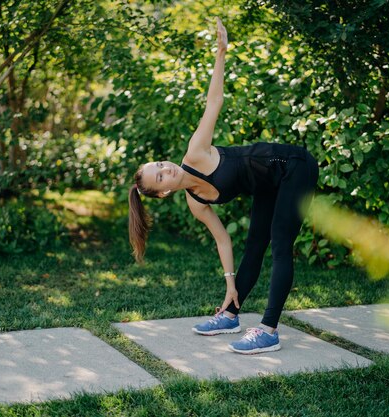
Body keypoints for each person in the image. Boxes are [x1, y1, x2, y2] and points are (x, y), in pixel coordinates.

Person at [128, 18, 319, 354]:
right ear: (164, 192)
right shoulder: (194, 201)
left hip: (294, 166)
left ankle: (269, 329)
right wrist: (230, 284)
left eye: (160, 164)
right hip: (269, 185)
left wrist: (221, 53)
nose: (166, 168)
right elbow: (222, 239)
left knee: (280, 245)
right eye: (160, 176)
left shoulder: (195, 153)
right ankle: (231, 312)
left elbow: (213, 103)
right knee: (254, 244)